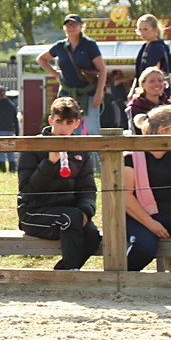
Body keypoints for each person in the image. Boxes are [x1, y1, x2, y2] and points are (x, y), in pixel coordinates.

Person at [16, 97, 101, 270]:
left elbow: (87, 189)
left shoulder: (80, 150)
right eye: (59, 121)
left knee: (93, 236)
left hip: (70, 214)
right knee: (70, 218)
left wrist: (86, 211)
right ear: (50, 120)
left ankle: (62, 272)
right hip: (34, 214)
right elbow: (27, 190)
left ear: (77, 123)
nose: (63, 128)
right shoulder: (33, 146)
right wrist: (49, 163)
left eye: (69, 122)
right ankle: (70, 274)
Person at [124, 105, 171, 272]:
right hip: (141, 219)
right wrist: (151, 224)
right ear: (163, 130)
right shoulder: (131, 159)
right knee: (145, 247)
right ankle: (123, 279)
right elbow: (126, 197)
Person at [37, 13, 106, 135]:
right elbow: (41, 59)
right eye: (68, 25)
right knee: (70, 128)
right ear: (64, 28)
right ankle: (72, 155)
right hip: (67, 94)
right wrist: (56, 74)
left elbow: (102, 70)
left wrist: (99, 93)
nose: (71, 27)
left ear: (81, 27)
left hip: (88, 93)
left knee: (92, 129)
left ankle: (95, 154)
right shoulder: (60, 46)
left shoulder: (89, 44)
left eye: (74, 24)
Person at [127, 67, 171, 135]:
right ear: (142, 84)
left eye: (160, 80)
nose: (157, 83)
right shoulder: (134, 108)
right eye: (152, 81)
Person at [132, 14, 171, 99]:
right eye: (140, 30)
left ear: (154, 30)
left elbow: (154, 73)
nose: (142, 33)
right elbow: (138, 74)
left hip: (154, 94)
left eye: (145, 29)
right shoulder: (146, 46)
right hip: (147, 92)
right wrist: (133, 90)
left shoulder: (156, 47)